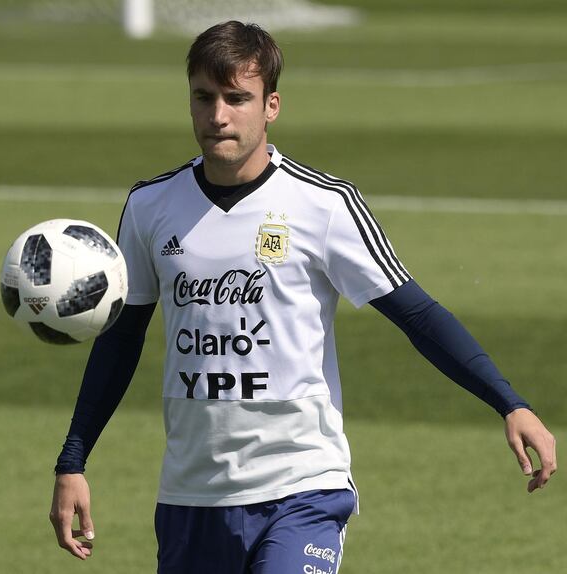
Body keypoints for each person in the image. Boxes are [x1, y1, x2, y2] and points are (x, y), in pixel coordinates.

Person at [49, 20, 557, 573]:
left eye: (237, 98)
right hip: (192, 496)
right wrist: (73, 459)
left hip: (301, 488)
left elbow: (416, 315)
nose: (219, 115)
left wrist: (510, 402)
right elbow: (121, 340)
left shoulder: (324, 206)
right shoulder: (150, 207)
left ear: (271, 106)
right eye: (204, 97)